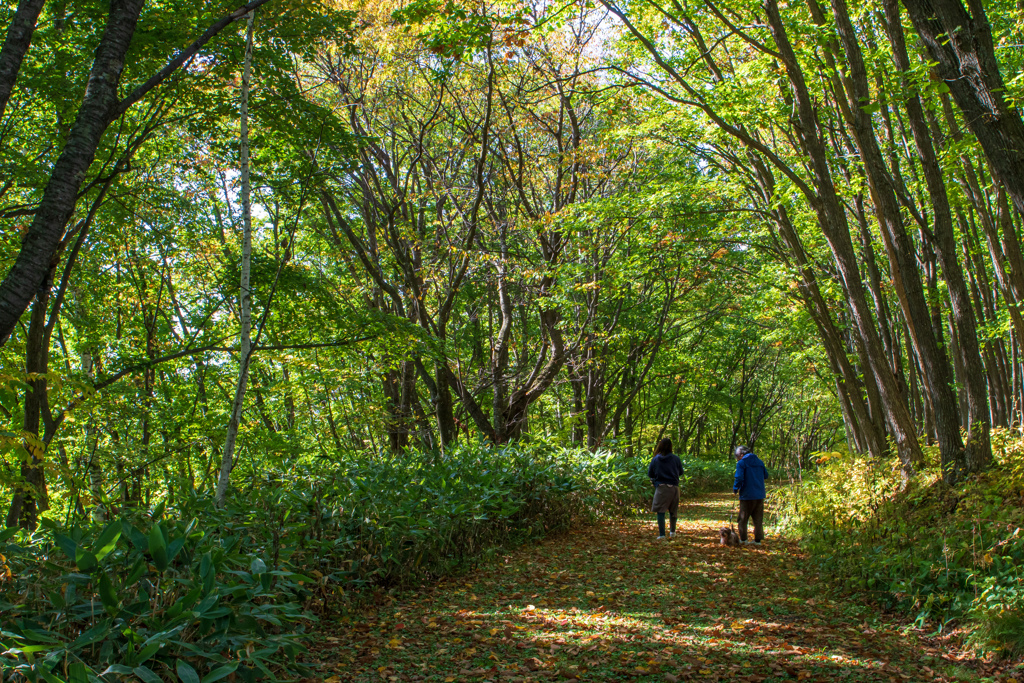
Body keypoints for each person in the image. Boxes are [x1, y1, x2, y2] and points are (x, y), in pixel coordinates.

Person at [648, 438, 682, 540]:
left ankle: (662, 534)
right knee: (673, 511)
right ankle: (673, 532)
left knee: (661, 511)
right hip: (674, 488)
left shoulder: (655, 459)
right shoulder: (676, 459)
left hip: (662, 488)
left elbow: (650, 473)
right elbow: (680, 472)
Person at [732, 445, 767, 545]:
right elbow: (766, 475)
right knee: (758, 519)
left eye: (737, 457)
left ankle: (743, 540)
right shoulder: (760, 462)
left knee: (743, 518)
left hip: (747, 495)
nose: (737, 459)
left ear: (742, 455)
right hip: (760, 495)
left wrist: (735, 488)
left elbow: (739, 477)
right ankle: (758, 541)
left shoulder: (742, 463)